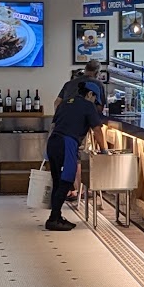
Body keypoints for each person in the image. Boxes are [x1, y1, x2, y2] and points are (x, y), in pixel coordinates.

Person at [44, 77, 107, 232]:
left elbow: (53, 125)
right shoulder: (88, 106)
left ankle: (56, 216)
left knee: (58, 180)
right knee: (67, 180)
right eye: (95, 99)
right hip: (67, 143)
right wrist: (104, 150)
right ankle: (53, 219)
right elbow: (97, 129)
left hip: (53, 142)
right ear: (90, 94)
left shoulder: (65, 103)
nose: (95, 103)